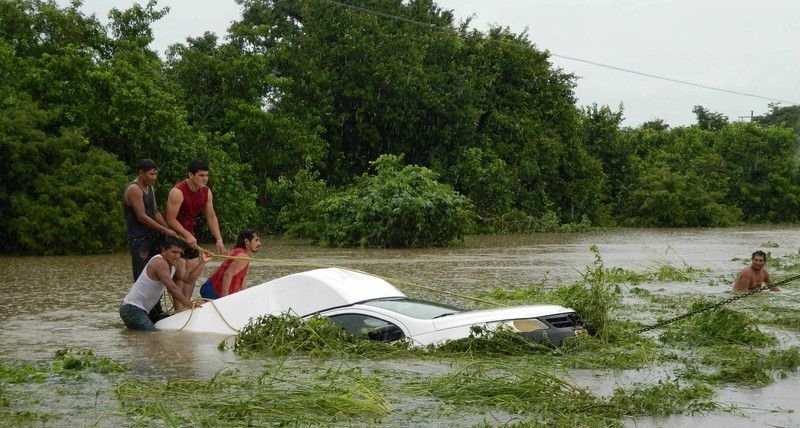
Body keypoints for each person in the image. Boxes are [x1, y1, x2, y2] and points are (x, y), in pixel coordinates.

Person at [119, 237, 212, 331]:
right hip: (132, 310)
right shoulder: (159, 262)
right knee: (154, 335)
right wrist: (189, 305)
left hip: (143, 311)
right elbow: (172, 287)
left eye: (180, 253)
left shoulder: (174, 263)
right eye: (174, 252)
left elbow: (189, 280)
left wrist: (202, 262)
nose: (177, 255)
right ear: (163, 249)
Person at [165, 159, 227, 299]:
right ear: (190, 175)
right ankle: (178, 310)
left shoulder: (206, 191)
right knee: (180, 276)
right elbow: (170, 219)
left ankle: (186, 307)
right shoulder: (177, 192)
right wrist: (186, 235)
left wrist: (218, 239)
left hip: (191, 236)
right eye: (201, 175)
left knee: (192, 276)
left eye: (207, 175)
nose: (205, 179)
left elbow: (211, 216)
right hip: (174, 237)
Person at [123, 159, 178, 281]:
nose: (154, 177)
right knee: (143, 276)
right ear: (141, 173)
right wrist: (164, 229)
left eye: (155, 174)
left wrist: (168, 230)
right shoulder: (134, 189)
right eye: (151, 174)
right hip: (139, 239)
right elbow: (141, 216)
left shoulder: (150, 188)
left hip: (152, 237)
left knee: (157, 274)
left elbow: (156, 212)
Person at [200, 229, 262, 299]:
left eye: (259, 240)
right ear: (246, 241)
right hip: (213, 292)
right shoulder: (244, 256)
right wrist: (225, 300)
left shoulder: (237, 251)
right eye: (256, 240)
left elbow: (243, 278)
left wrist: (246, 296)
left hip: (209, 287)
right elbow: (227, 275)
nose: (259, 243)